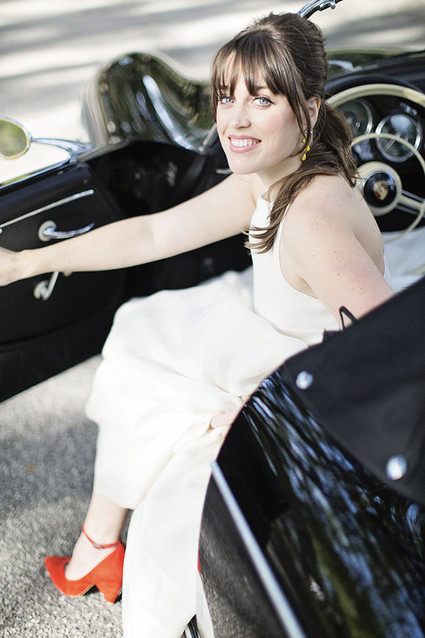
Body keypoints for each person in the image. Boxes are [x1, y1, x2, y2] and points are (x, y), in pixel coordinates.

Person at [0, 11, 394, 638]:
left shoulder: (313, 222)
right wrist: (27, 262)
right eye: (226, 97)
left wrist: (270, 411)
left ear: (309, 111)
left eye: (261, 100)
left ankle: (98, 552)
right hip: (271, 326)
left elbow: (384, 348)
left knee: (169, 442)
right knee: (141, 331)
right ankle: (97, 548)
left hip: (299, 366)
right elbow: (156, 233)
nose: (233, 121)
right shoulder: (271, 178)